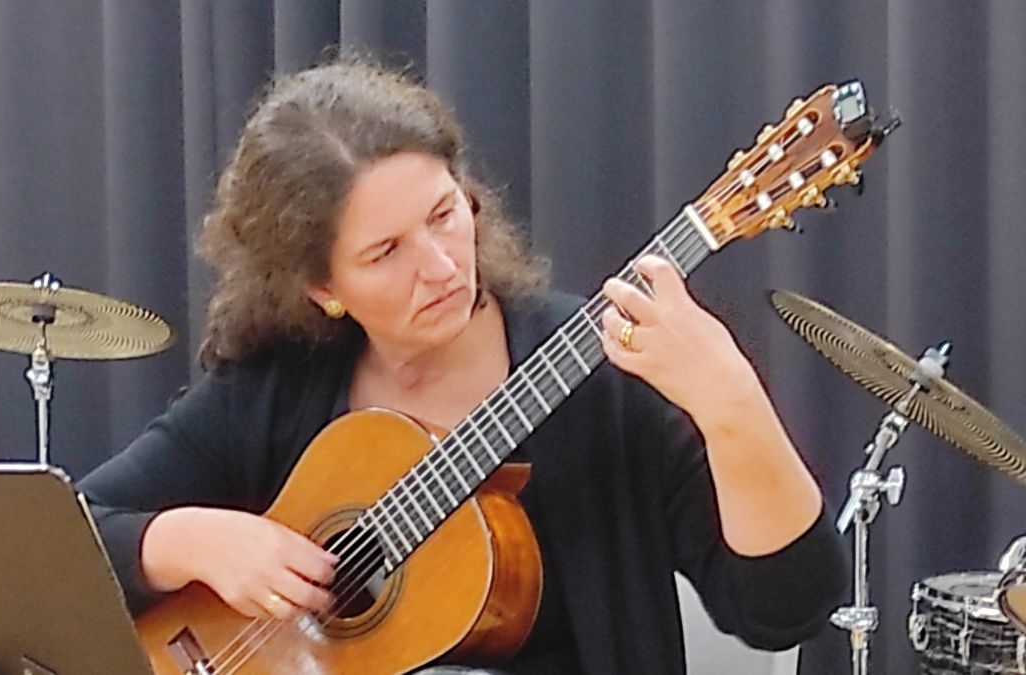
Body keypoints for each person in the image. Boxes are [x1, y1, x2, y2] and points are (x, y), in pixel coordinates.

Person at [78, 57, 847, 674]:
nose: (442, 265)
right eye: (385, 252)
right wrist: (188, 540)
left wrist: (733, 407)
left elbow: (786, 607)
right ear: (322, 289)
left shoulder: (605, 380)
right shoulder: (279, 387)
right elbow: (66, 534)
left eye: (445, 214)